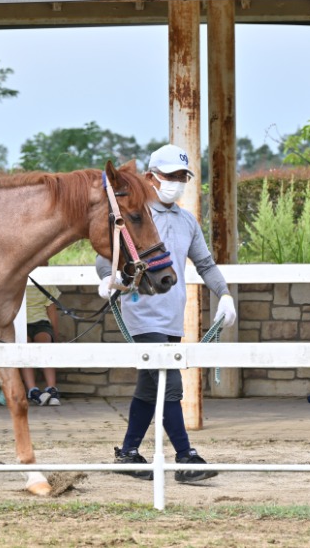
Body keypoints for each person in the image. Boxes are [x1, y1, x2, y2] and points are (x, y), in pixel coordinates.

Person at [97, 144, 236, 483]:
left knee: (149, 387)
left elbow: (205, 264)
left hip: (173, 314)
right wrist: (107, 278)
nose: (176, 183)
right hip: (141, 312)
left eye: (182, 177)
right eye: (170, 176)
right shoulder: (136, 214)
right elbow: (105, 255)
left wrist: (225, 295)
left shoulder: (188, 222)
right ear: (150, 177)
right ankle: (186, 456)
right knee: (168, 382)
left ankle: (128, 453)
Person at [21, 284, 62, 406]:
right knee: (24, 347)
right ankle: (32, 390)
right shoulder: (18, 282)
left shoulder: (47, 284)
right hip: (22, 323)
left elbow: (52, 313)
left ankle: (51, 388)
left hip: (41, 323)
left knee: (45, 345)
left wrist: (55, 336)